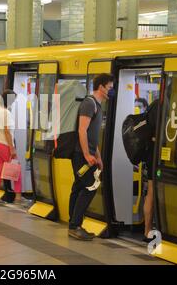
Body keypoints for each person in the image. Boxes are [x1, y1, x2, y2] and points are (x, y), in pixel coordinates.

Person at [68, 74, 114, 241]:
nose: (111, 90)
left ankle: (73, 224)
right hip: (81, 155)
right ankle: (75, 225)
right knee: (90, 187)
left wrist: (98, 156)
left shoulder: (98, 105)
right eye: (110, 87)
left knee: (79, 187)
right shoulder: (89, 103)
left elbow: (93, 136)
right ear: (101, 87)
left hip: (87, 154)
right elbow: (82, 130)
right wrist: (87, 154)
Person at [0, 90, 26, 206]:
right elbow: (7, 131)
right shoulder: (6, 113)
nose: (14, 102)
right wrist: (12, 149)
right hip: (5, 145)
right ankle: (18, 197)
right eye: (13, 99)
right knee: (16, 170)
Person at [142, 99, 158, 242]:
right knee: (154, 191)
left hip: (151, 153)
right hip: (160, 154)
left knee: (151, 192)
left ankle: (147, 230)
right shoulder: (174, 105)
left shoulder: (155, 105)